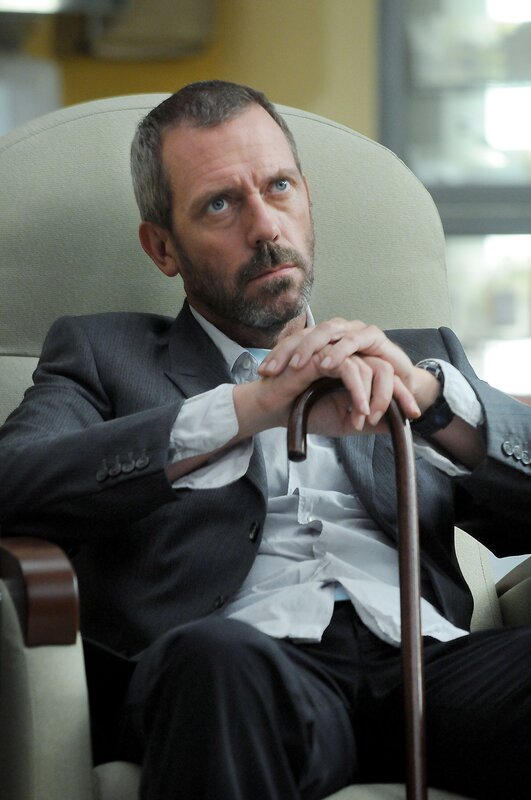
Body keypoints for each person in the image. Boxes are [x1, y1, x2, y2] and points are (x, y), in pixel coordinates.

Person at [0, 80, 529, 800]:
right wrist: (246, 410)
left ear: (306, 198)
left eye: (279, 187)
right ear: (163, 247)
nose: (265, 228)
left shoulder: (419, 353)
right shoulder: (102, 354)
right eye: (220, 204)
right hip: (245, 670)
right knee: (218, 663)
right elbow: (15, 480)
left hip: (430, 667)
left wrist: (430, 402)